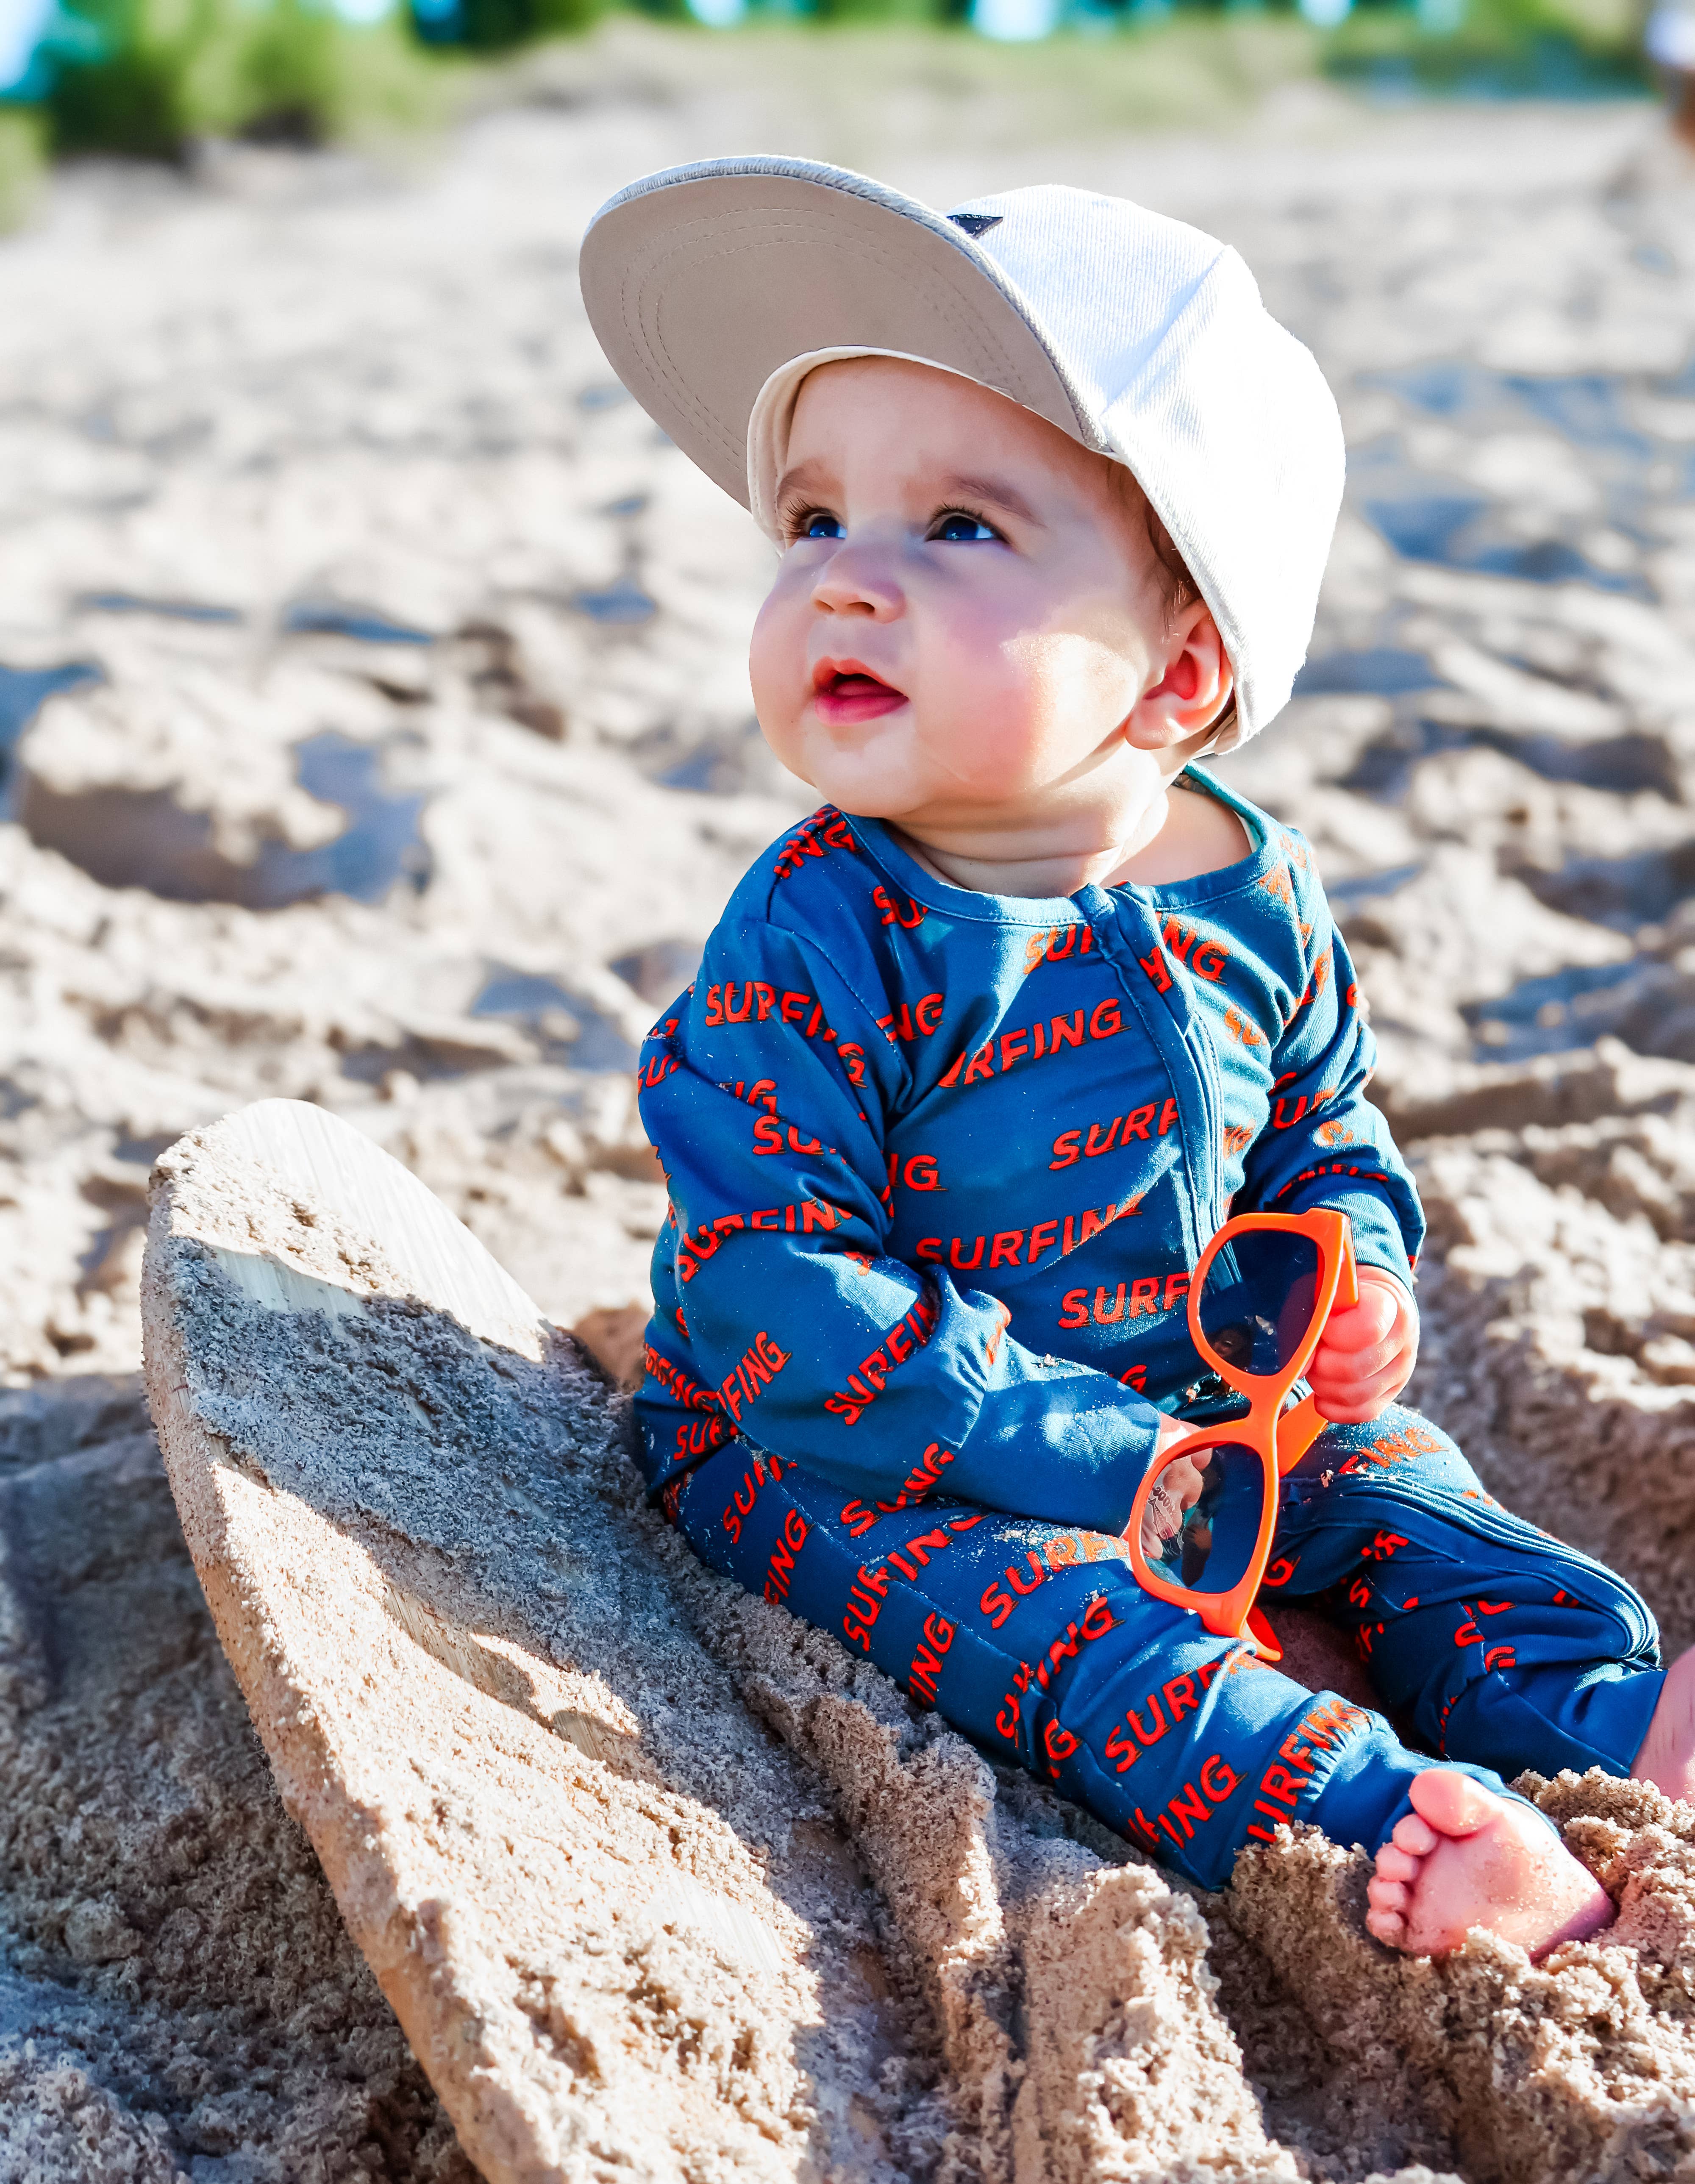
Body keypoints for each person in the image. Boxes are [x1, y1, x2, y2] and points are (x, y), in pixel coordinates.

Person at [580, 161, 1695, 1959]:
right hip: (864, 1447)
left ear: (1179, 672)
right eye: (812, 519)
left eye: (957, 527)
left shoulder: (1255, 890)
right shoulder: (817, 933)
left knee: (1408, 1498)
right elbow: (770, 1292)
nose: (845, 581)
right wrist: (1107, 1462)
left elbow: (1321, 1123)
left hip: (1211, 1400)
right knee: (1071, 1642)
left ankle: (1600, 1719)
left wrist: (1359, 1265)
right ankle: (1371, 1815)